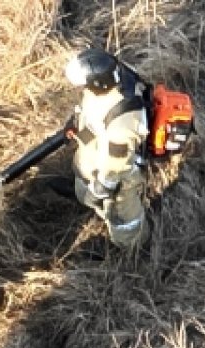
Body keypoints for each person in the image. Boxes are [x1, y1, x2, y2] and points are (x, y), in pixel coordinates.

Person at [65, 47, 152, 249]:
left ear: (97, 83)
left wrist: (102, 187)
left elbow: (117, 164)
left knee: (123, 220)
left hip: (117, 179)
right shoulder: (107, 84)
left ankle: (135, 249)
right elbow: (94, 117)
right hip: (93, 161)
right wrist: (76, 127)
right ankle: (96, 207)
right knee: (85, 193)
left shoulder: (123, 124)